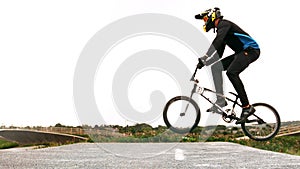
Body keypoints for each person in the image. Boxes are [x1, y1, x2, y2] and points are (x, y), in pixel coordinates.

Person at [195, 7, 260, 124]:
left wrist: (205, 56)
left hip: (251, 51)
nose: (205, 22)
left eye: (205, 19)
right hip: (241, 53)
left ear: (212, 16)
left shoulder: (224, 25)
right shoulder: (222, 32)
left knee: (232, 72)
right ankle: (220, 100)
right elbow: (218, 55)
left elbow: (217, 41)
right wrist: (205, 63)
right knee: (215, 67)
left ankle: (246, 107)